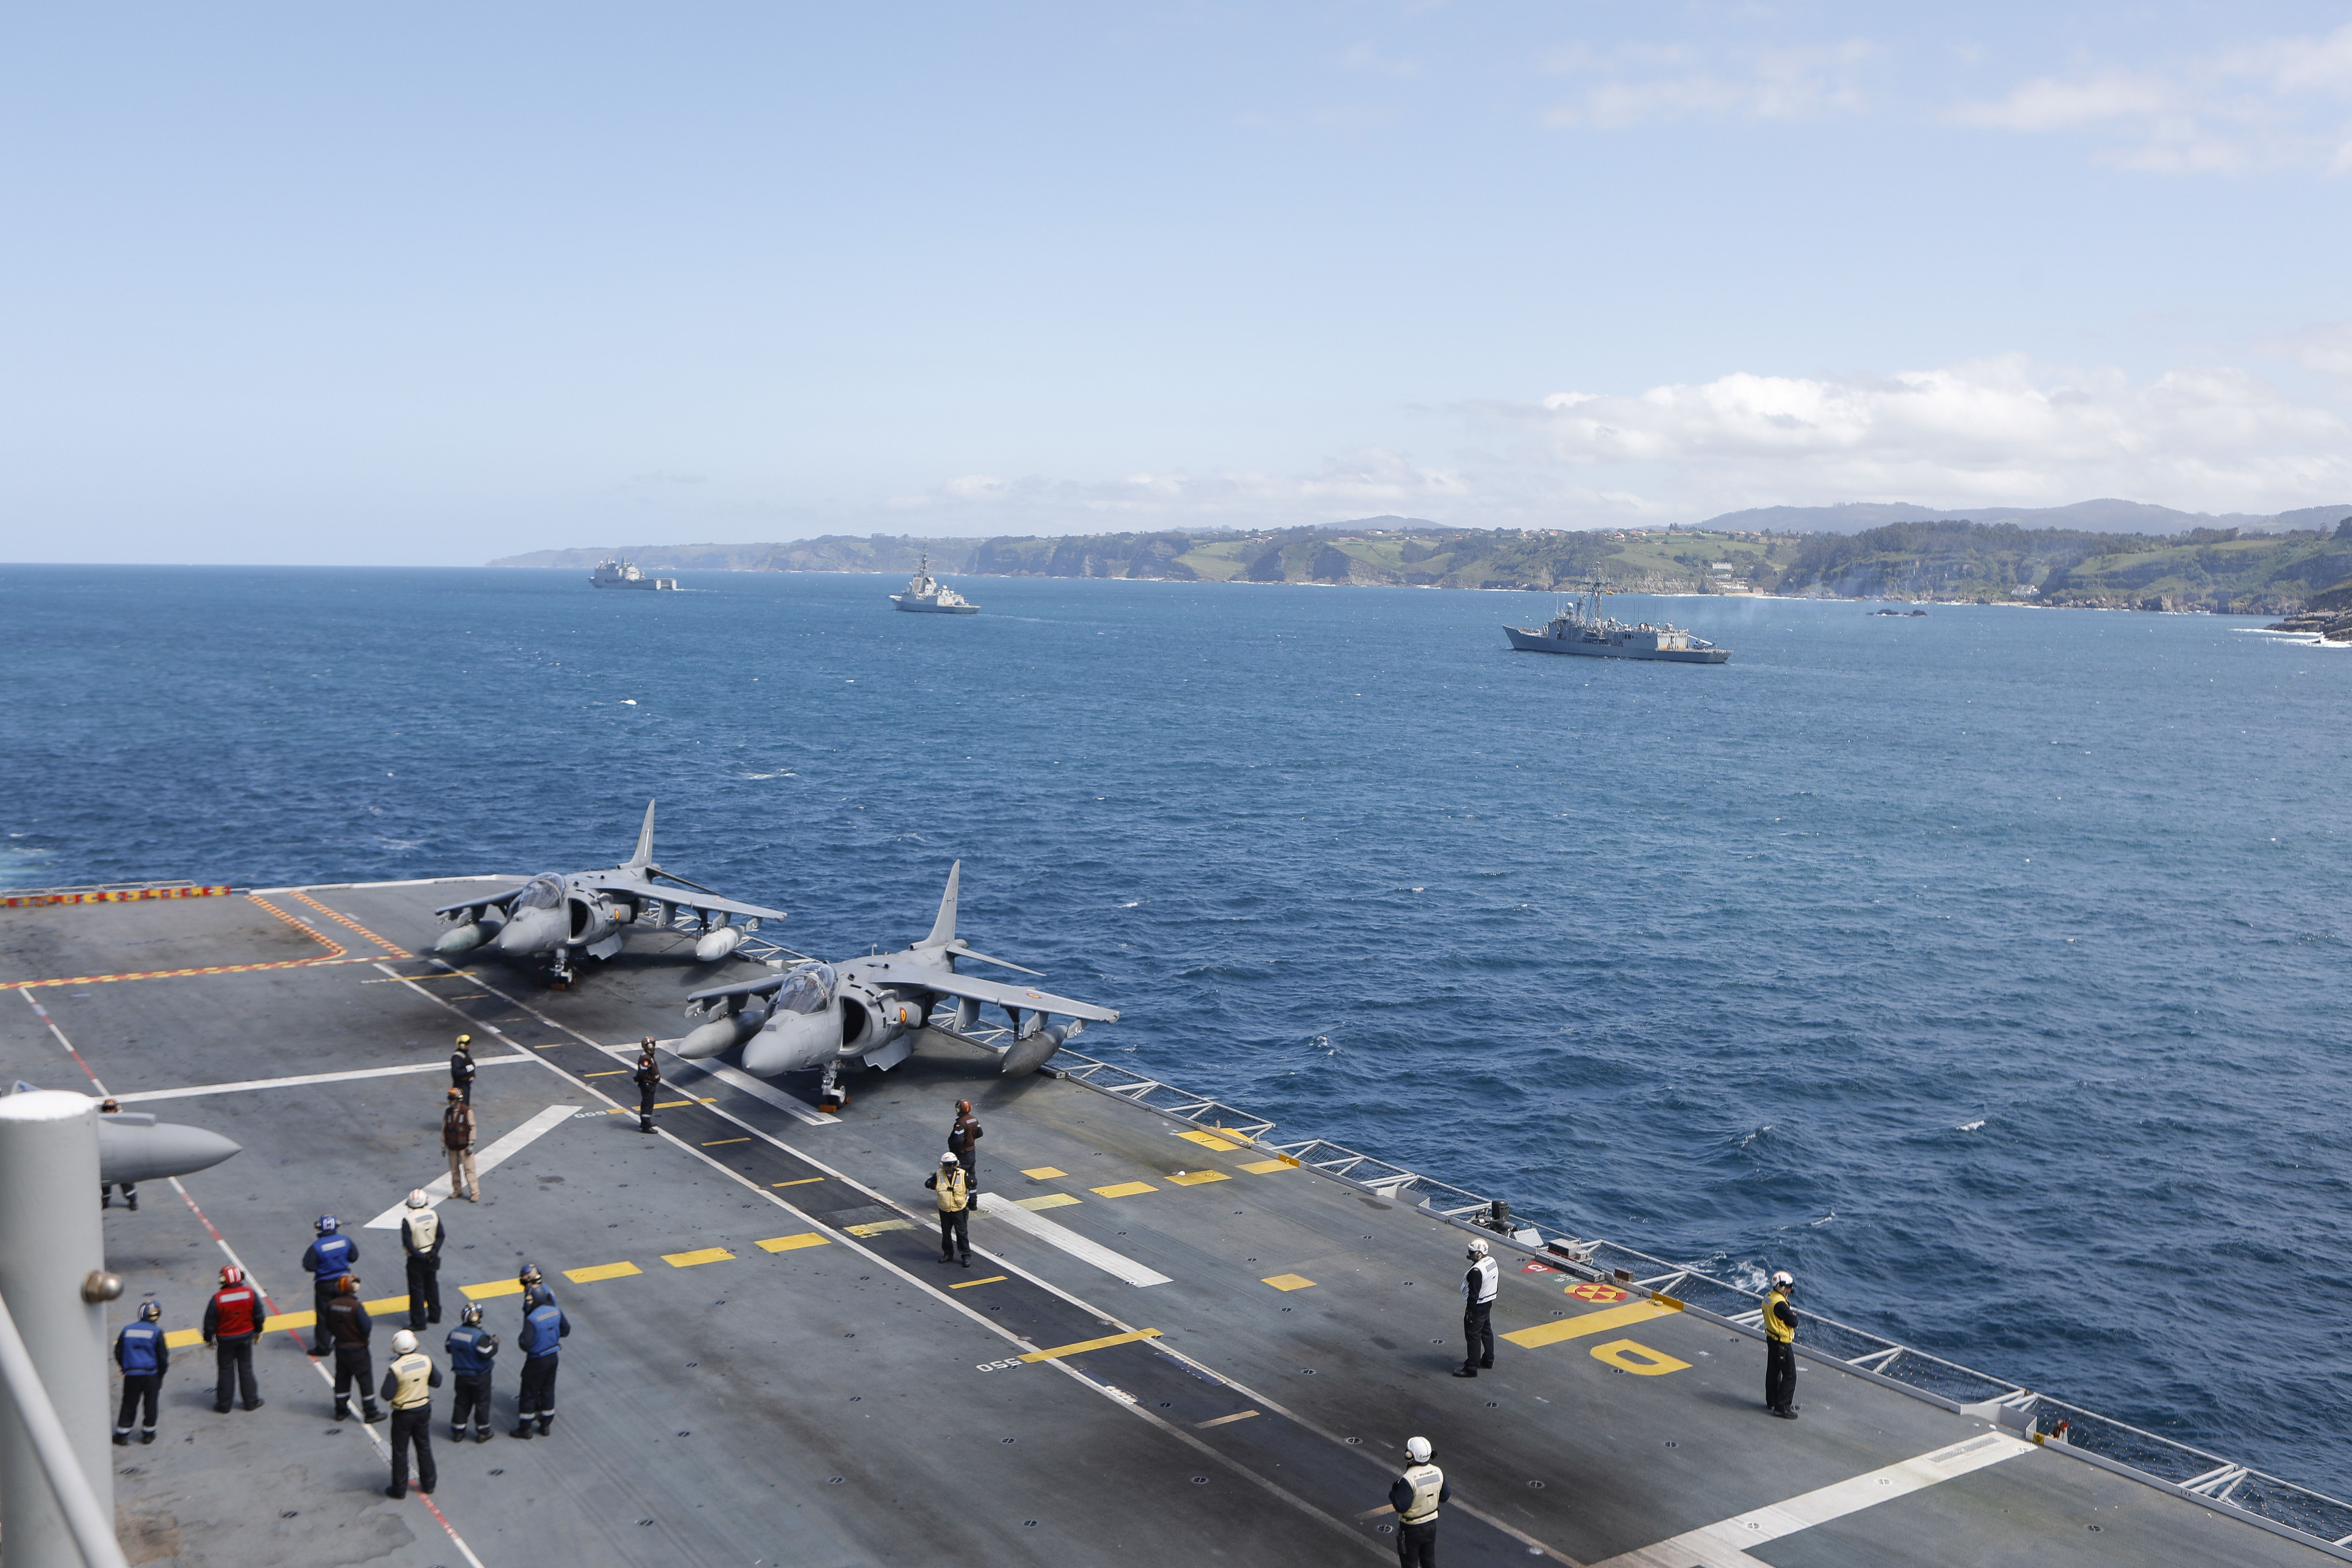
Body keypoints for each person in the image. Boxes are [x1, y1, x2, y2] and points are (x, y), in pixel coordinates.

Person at [380, 1329, 443, 1498]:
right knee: (424, 1446)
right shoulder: (426, 1361)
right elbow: (437, 1382)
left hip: (403, 1413)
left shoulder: (395, 1368)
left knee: (400, 1451)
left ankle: (399, 1489)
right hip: (423, 1409)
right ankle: (429, 1484)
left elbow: (387, 1395)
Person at [510, 1267, 568, 1438]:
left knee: (529, 1391)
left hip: (537, 1357)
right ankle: (546, 1425)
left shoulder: (533, 1318)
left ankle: (526, 1428)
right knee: (548, 1388)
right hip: (552, 1355)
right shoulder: (554, 1308)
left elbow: (525, 1343)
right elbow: (565, 1330)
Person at [202, 1265, 265, 1413]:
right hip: (246, 1337)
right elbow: (259, 1316)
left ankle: (224, 1405)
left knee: (225, 1371)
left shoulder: (218, 1299)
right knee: (246, 1369)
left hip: (225, 1340)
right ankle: (251, 1402)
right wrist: (258, 1331)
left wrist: (208, 1339)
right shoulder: (250, 1294)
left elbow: (210, 1323)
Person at [324, 1274, 383, 1423]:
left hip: (341, 1348)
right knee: (365, 1380)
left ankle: (341, 1410)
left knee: (342, 1379)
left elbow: (327, 1326)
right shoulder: (356, 1307)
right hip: (358, 1350)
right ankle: (370, 1412)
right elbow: (366, 1327)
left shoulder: (331, 1305)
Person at [1387, 1434, 1450, 1568]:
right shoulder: (1438, 1472)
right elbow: (1445, 1497)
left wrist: (1393, 1493)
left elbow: (1402, 1506)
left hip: (1411, 1529)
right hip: (1431, 1526)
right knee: (1429, 1561)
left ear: (1410, 1456)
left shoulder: (1408, 1479)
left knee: (1410, 1563)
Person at [112, 1300, 168, 1446]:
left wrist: (125, 1367)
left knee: (129, 1403)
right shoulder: (157, 1332)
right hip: (151, 1374)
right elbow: (163, 1357)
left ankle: (122, 1434)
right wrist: (160, 1375)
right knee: (150, 1403)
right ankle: (148, 1434)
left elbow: (119, 1352)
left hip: (132, 1374)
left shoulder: (127, 1330)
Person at [300, 1216, 357, 1356]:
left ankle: (324, 1347)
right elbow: (354, 1257)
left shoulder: (317, 1247)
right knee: (347, 1311)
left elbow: (309, 1266)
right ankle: (350, 1339)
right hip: (344, 1283)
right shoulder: (345, 1240)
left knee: (324, 1316)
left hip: (325, 1284)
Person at [444, 1301, 499, 1443]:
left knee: (462, 1402)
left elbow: (449, 1348)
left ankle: (458, 1431)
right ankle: (483, 1431)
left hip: (461, 1376)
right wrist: (495, 1343)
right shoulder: (479, 1337)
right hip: (480, 1376)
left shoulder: (454, 1333)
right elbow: (487, 1353)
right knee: (482, 1403)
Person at [1454, 1237, 1498, 1378]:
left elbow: (1474, 1294)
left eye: (1472, 1252)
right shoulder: (1491, 1261)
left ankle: (1471, 1368)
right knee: (1486, 1331)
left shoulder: (1476, 1271)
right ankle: (1489, 1360)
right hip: (1489, 1302)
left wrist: (1470, 1312)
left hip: (1478, 1305)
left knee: (1473, 1335)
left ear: (1478, 1254)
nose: (1470, 1254)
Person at [400, 1190, 444, 1330]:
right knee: (432, 1286)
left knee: (417, 1290)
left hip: (416, 1260)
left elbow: (408, 1243)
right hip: (432, 1256)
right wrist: (433, 1252)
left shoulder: (408, 1220)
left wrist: (420, 1256)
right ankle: (435, 1315)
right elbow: (441, 1236)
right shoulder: (434, 1215)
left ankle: (419, 1322)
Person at [924, 1150, 971, 1267]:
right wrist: (932, 1185)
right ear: (943, 1165)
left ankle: (966, 1255)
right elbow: (928, 1183)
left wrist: (973, 1201)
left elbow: (972, 1185)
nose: (951, 1167)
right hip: (945, 1210)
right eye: (949, 1165)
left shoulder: (963, 1174)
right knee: (946, 1234)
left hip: (959, 1209)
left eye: (953, 1164)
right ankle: (948, 1254)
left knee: (962, 1234)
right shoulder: (939, 1175)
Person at [1763, 1269, 1799, 1419]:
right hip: (1782, 1343)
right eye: (1789, 1286)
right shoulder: (1780, 1304)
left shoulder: (1769, 1297)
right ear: (1781, 1286)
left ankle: (1772, 1400)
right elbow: (1794, 1322)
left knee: (1773, 1371)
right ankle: (1783, 1407)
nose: (1791, 1290)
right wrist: (1792, 1316)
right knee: (1790, 1375)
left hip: (1771, 1338)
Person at [98, 1099, 137, 1210]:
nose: (109, 1111)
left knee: (126, 1182)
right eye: (107, 1109)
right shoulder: (100, 1121)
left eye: (111, 1108)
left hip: (120, 1156)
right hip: (106, 1156)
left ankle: (132, 1200)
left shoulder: (123, 1122)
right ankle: (105, 1200)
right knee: (104, 1183)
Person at [442, 1088, 479, 1202]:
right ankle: (457, 1190)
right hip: (452, 1147)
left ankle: (475, 1193)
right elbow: (444, 1130)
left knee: (470, 1171)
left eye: (452, 1099)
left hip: (464, 1147)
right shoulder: (448, 1113)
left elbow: (473, 1127)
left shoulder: (467, 1111)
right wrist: (444, 1145)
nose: (450, 1102)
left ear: (459, 1100)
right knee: (454, 1171)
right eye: (450, 1099)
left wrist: (471, 1143)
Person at [948, 1099, 983, 1213]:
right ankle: (973, 1203)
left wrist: (953, 1146)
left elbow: (958, 1141)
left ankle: (959, 1202)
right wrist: (970, 1141)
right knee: (972, 1177)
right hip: (972, 1153)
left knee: (959, 1179)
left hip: (961, 1155)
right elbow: (980, 1133)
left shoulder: (960, 1123)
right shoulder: (974, 1119)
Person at [632, 1041, 661, 1134]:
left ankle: (646, 1123)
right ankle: (646, 1126)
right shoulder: (646, 1059)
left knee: (648, 1104)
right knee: (647, 1105)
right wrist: (638, 1079)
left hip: (650, 1083)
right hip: (648, 1084)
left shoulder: (649, 1056)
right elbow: (642, 1072)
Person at [449, 1034, 476, 1106]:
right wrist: (467, 1070)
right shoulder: (457, 1058)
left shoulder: (464, 1054)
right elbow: (456, 1073)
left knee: (466, 1105)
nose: (470, 1044)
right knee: (462, 1106)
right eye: (467, 1043)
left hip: (466, 1085)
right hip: (461, 1086)